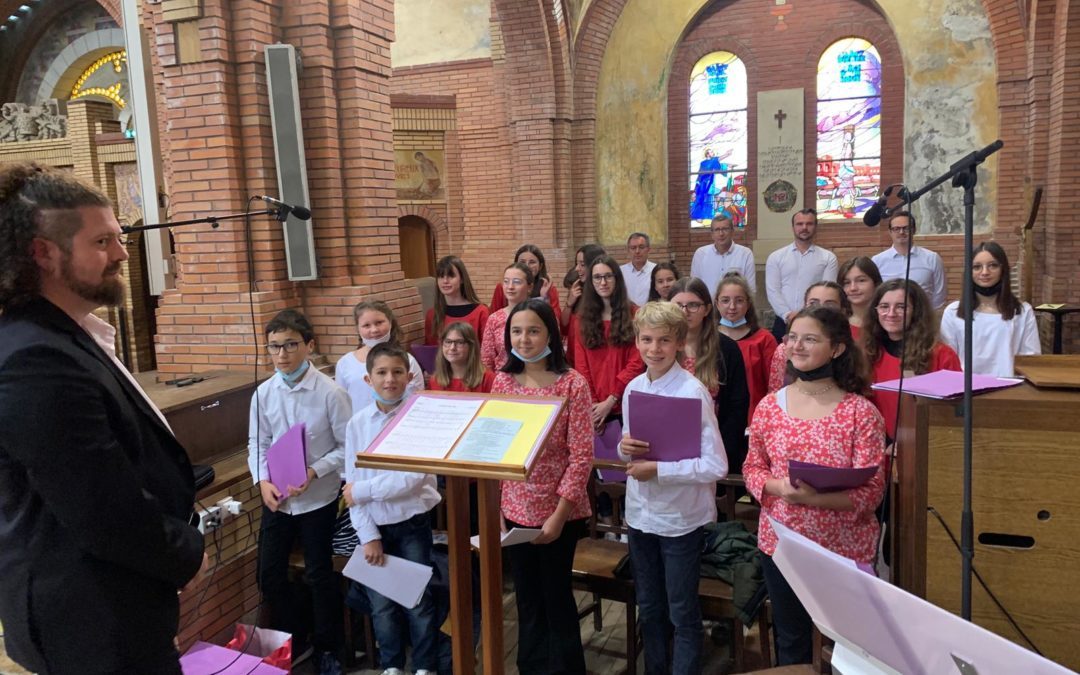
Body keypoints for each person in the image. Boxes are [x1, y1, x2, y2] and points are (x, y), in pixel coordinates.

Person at [0, 162, 206, 674]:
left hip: (114, 599)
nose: (121, 252)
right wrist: (188, 554)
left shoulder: (65, 336)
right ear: (43, 253)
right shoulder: (35, 359)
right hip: (90, 620)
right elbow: (101, 509)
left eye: (119, 237)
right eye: (102, 242)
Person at [743, 305, 886, 665]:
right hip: (782, 544)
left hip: (842, 547)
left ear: (837, 348)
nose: (798, 346)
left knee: (847, 646)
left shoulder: (860, 411)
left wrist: (819, 499)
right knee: (790, 640)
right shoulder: (769, 407)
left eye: (810, 339)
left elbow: (873, 492)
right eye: (792, 338)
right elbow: (753, 467)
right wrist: (780, 489)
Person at [617, 301, 729, 674]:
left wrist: (659, 470)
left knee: (681, 610)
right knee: (649, 607)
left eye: (664, 340)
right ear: (636, 341)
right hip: (640, 515)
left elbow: (716, 464)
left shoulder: (691, 391)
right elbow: (629, 447)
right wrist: (623, 448)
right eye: (647, 340)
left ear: (680, 342)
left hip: (681, 519)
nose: (654, 349)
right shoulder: (633, 387)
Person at [249, 309, 352, 674]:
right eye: (274, 347)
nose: (282, 354)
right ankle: (298, 635)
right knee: (268, 575)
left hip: (318, 498)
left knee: (319, 574)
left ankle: (329, 648)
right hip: (277, 498)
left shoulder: (330, 393)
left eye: (290, 345)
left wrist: (314, 470)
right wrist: (261, 480)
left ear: (309, 346)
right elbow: (257, 443)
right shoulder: (263, 393)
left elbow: (346, 447)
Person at [494, 299, 593, 674]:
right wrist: (499, 509)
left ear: (551, 332)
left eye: (533, 330)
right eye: (517, 331)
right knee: (526, 599)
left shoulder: (572, 383)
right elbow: (499, 446)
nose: (525, 339)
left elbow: (581, 455)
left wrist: (559, 514)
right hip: (514, 511)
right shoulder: (503, 381)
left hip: (558, 513)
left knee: (556, 598)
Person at [343, 344, 442, 675]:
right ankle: (392, 667)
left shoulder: (421, 419)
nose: (390, 379)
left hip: (412, 524)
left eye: (397, 372)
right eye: (382, 373)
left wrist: (364, 492)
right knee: (382, 606)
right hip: (375, 528)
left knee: (418, 603)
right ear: (368, 380)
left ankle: (425, 667)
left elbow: (411, 479)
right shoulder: (357, 424)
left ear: (410, 376)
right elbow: (350, 487)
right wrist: (368, 535)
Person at [863, 279, 961, 440]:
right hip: (876, 447)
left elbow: (955, 413)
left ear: (916, 312)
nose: (891, 313)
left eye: (901, 307)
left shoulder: (942, 355)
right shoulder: (868, 353)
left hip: (926, 447)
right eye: (884, 306)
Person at [669, 277, 750, 471]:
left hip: (714, 445)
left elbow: (737, 407)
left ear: (706, 309)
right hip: (670, 442)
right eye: (678, 305)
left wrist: (720, 449)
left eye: (693, 305)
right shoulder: (662, 346)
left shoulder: (727, 349)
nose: (684, 311)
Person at [939, 241, 1041, 376]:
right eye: (977, 267)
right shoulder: (953, 312)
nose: (985, 272)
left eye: (992, 265)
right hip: (967, 390)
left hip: (1009, 387)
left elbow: (1031, 359)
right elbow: (948, 359)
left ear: (1002, 269)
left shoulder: (1022, 311)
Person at [574, 254, 646, 428]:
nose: (603, 282)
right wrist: (593, 405)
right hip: (595, 408)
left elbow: (636, 363)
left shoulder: (635, 314)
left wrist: (612, 399)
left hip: (627, 401)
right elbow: (581, 366)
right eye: (597, 277)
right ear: (591, 282)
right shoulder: (581, 319)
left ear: (617, 279)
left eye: (608, 276)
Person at [336, 300, 424, 413]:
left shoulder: (408, 361)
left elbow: (417, 398)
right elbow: (342, 403)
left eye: (379, 323)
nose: (374, 330)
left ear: (390, 323)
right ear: (358, 328)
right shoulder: (345, 363)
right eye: (366, 325)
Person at [765, 208, 839, 342]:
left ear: (815, 227)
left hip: (816, 321)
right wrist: (787, 314)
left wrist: (807, 315)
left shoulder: (828, 258)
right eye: (799, 224)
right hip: (783, 321)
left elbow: (828, 292)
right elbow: (773, 291)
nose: (804, 227)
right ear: (793, 227)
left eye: (809, 224)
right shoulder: (776, 257)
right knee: (781, 361)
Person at [715, 272, 778, 427]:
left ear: (748, 303)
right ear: (716, 304)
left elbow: (774, 384)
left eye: (739, 300)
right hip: (715, 418)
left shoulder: (764, 339)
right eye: (725, 300)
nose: (732, 307)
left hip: (753, 419)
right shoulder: (708, 338)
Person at [768, 281, 851, 394]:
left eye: (830, 305)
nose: (820, 310)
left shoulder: (850, 349)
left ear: (843, 311)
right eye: (813, 303)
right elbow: (775, 392)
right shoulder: (785, 349)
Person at [871, 211, 947, 309]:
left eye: (906, 228)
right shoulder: (877, 261)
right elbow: (874, 293)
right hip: (889, 317)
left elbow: (939, 294)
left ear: (914, 230)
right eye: (896, 229)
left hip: (922, 318)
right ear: (890, 232)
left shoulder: (932, 258)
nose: (901, 232)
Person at [423, 255, 489, 346]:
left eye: (451, 276)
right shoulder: (432, 315)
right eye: (441, 276)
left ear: (462, 279)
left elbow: (487, 350)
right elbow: (430, 350)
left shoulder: (481, 312)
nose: (445, 281)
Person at [481, 262, 535, 371]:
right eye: (506, 281)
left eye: (517, 282)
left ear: (529, 286)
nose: (510, 287)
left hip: (537, 379)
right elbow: (487, 359)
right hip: (502, 380)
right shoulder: (494, 318)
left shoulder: (541, 316)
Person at [690, 214, 757, 298]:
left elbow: (751, 289)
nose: (721, 233)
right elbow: (694, 288)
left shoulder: (745, 254)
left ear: (732, 231)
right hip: (708, 308)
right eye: (717, 230)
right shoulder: (700, 254)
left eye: (725, 229)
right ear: (712, 234)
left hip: (734, 308)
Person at [489, 244, 562, 317]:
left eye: (532, 262)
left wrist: (545, 298)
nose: (527, 266)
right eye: (522, 262)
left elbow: (555, 322)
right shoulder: (503, 287)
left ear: (540, 266)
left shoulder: (548, 289)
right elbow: (493, 315)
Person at [429, 321, 495, 392]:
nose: (452, 348)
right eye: (448, 342)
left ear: (471, 346)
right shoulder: (435, 380)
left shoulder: (488, 379)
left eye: (460, 342)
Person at [561, 242, 606, 333]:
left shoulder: (605, 292)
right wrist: (569, 304)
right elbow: (564, 327)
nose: (577, 269)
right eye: (576, 264)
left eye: (582, 264)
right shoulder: (577, 289)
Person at [838, 256, 882, 331]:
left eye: (861, 280)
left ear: (876, 283)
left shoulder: (888, 321)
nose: (853, 288)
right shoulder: (837, 325)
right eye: (847, 283)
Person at [620, 231, 657, 306]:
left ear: (648, 249)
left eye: (641, 247)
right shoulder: (620, 271)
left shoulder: (656, 270)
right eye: (633, 248)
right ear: (628, 250)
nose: (637, 251)